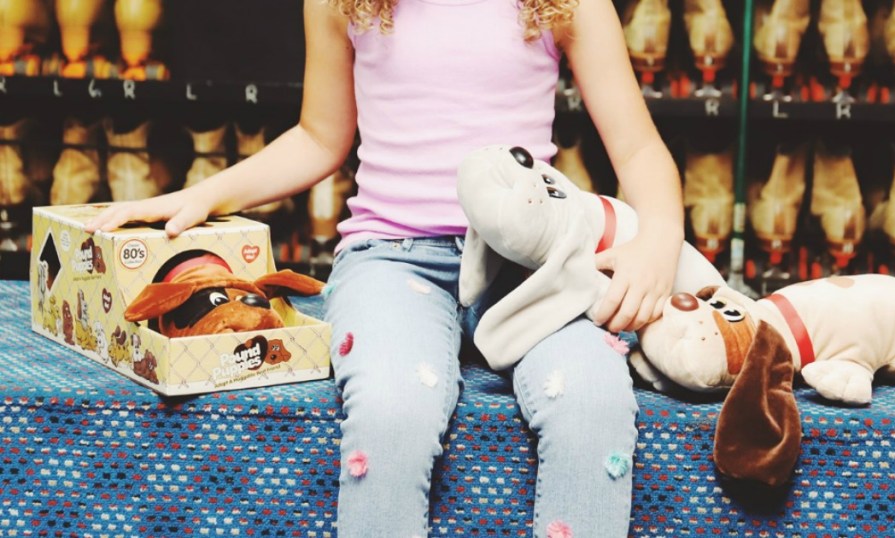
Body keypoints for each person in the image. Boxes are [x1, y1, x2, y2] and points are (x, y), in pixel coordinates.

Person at [86, 0, 709, 535]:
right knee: (392, 410)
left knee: (594, 400)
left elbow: (637, 147)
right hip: (392, 256)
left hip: (532, 264)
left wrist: (658, 239)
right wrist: (202, 196)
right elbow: (318, 136)